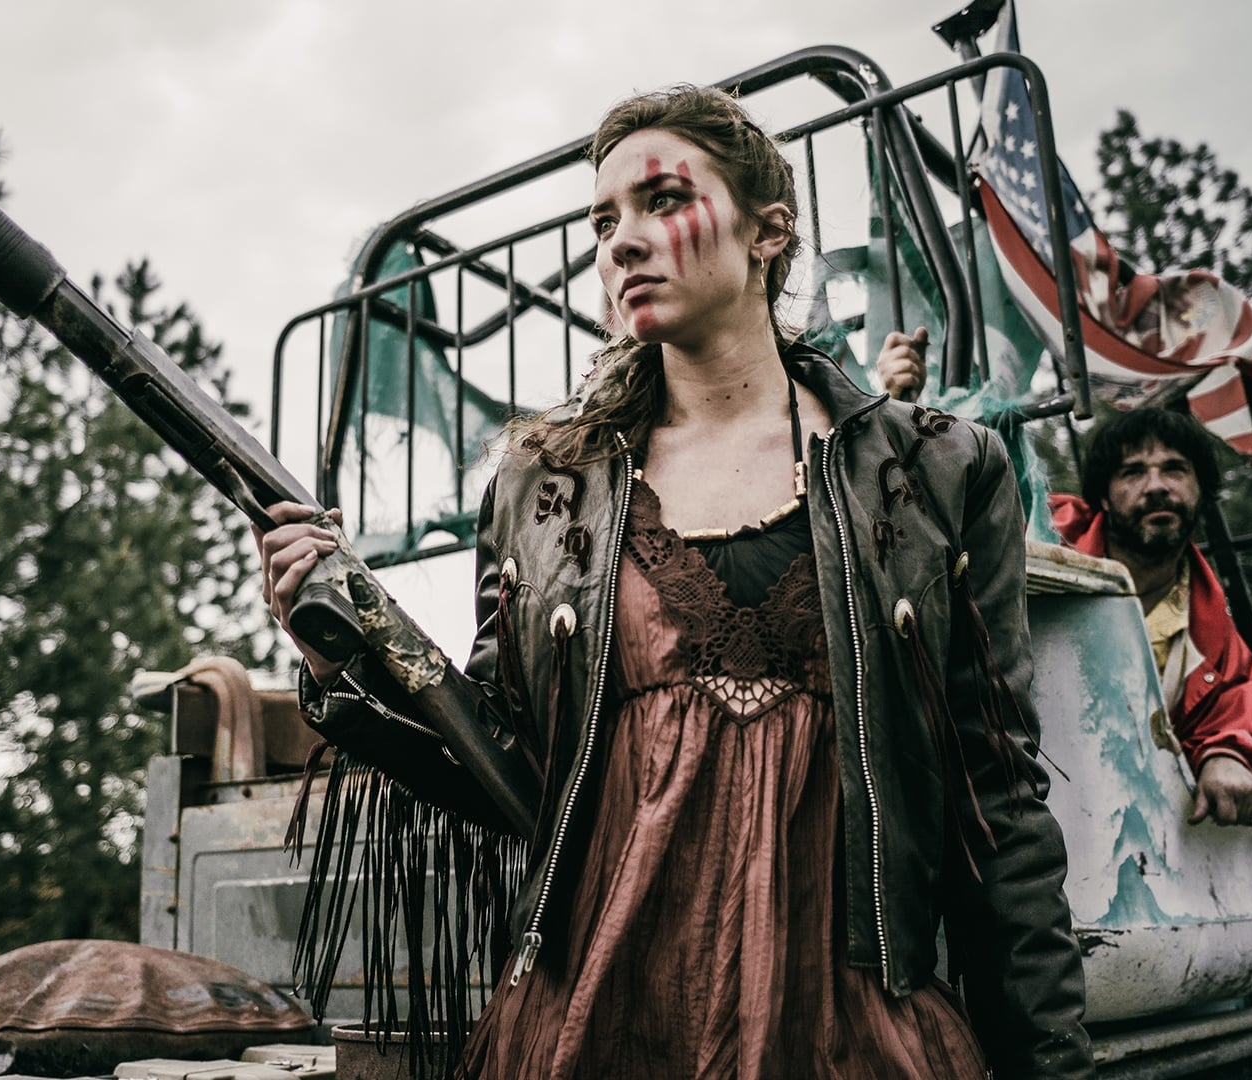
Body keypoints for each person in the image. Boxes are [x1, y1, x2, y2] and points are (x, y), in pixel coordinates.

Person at [257, 86, 1091, 1079]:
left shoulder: (940, 468)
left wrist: (1049, 1065)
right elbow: (504, 765)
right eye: (603, 221)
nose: (622, 241)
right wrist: (342, 655)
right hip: (604, 1021)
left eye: (662, 201)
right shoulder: (544, 487)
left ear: (768, 231)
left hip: (848, 1029)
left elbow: (998, 800)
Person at [1048, 409, 1252, 826]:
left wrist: (1224, 756)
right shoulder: (1039, 532)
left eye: (1175, 469)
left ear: (1201, 489)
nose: (1156, 486)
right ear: (1103, 497)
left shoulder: (1217, 642)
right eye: (1133, 472)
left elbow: (1236, 714)